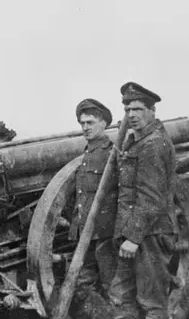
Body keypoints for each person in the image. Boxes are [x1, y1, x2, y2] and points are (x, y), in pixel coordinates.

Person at [108, 82, 177, 319]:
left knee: (152, 303)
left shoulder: (154, 144)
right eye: (128, 110)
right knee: (120, 296)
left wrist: (134, 238)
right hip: (134, 234)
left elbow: (151, 198)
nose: (132, 115)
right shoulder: (136, 141)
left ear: (152, 111)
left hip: (151, 235)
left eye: (138, 109)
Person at [69, 98, 118, 317]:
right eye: (82, 123)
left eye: (90, 122)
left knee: (112, 286)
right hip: (84, 233)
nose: (85, 127)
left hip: (105, 233)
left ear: (104, 124)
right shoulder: (87, 155)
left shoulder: (111, 154)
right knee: (81, 284)